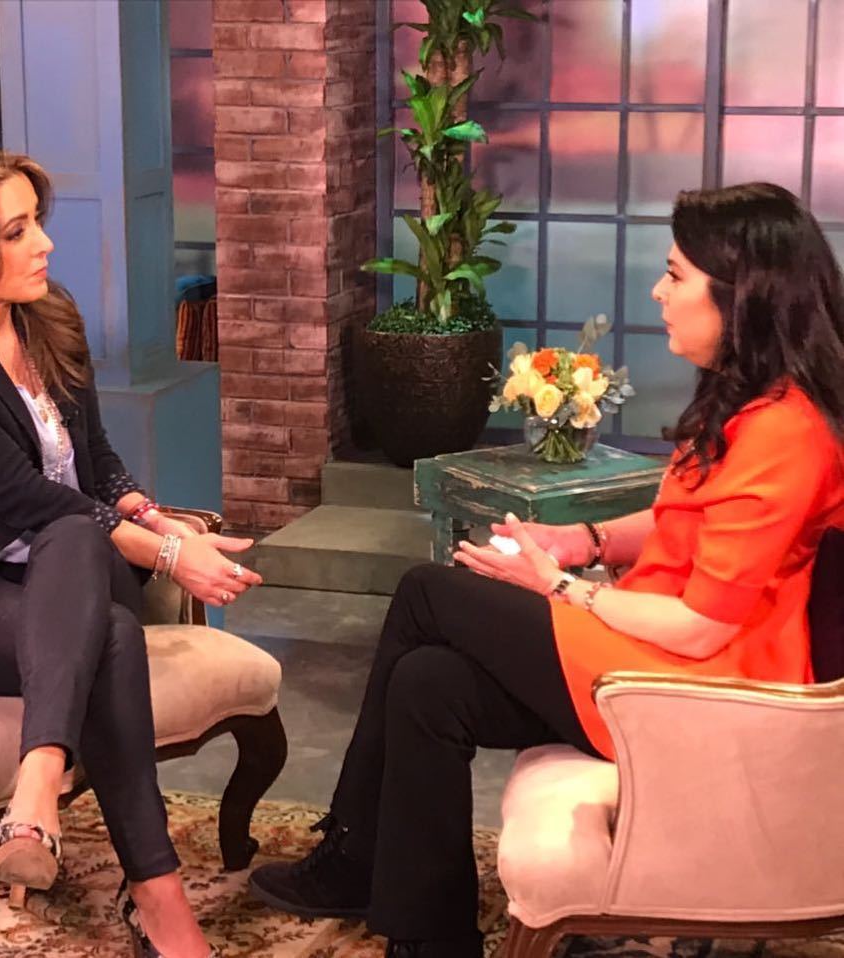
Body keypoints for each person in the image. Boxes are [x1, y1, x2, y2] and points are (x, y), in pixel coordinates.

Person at [247, 182, 844, 958]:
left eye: (675, 275)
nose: (658, 291)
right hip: (663, 655)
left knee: (427, 592)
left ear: (743, 295)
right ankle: (430, 937)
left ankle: (352, 857)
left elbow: (701, 628)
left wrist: (562, 588)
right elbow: (683, 521)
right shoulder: (749, 402)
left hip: (703, 691)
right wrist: (580, 540)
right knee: (428, 682)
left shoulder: (786, 434)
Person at [0, 149, 263, 958]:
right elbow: (27, 499)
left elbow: (97, 464)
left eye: (38, 222)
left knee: (74, 538)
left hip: (69, 571)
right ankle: (159, 902)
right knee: (110, 626)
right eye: (16, 231)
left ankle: (36, 786)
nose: (44, 244)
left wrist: (156, 516)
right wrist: (169, 556)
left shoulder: (48, 316)